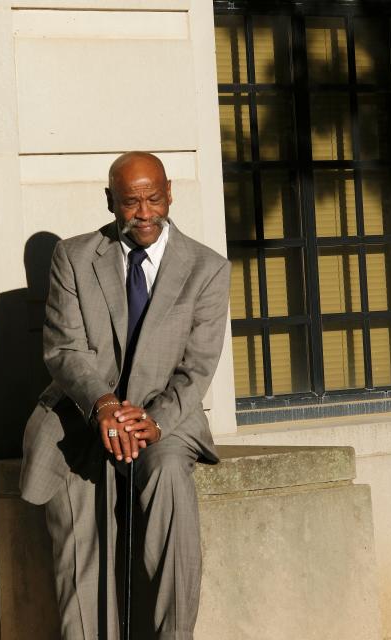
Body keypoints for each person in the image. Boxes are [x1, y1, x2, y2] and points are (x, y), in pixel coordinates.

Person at [19, 151, 230, 640]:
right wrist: (104, 405)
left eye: (153, 199)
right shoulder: (73, 256)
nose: (144, 213)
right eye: (131, 202)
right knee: (77, 523)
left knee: (170, 478)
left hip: (164, 422)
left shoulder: (207, 268)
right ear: (110, 201)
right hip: (82, 414)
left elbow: (197, 366)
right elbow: (64, 348)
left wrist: (152, 423)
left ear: (169, 193)